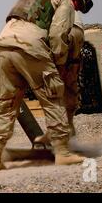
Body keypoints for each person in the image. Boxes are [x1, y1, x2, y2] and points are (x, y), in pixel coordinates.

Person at [0, 0, 94, 171]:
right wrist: (57, 66)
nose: (76, 8)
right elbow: (57, 35)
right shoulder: (65, 0)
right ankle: (63, 153)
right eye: (79, 5)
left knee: (6, 104)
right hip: (29, 45)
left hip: (3, 44)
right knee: (53, 96)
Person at [34, 12, 85, 145]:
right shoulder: (67, 3)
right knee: (71, 78)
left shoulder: (51, 1)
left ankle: (58, 134)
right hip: (78, 29)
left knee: (54, 82)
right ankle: (69, 130)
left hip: (60, 30)